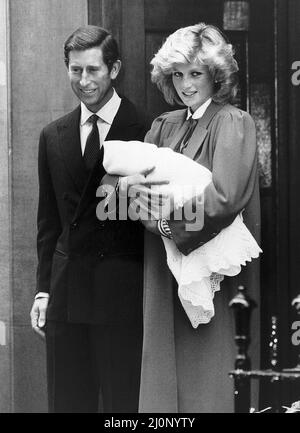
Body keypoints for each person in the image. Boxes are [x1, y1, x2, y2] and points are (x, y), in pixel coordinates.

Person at [132, 23, 261, 412]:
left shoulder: (233, 122)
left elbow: (224, 197)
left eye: (195, 74)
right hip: (164, 265)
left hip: (211, 268)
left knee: (209, 366)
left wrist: (166, 224)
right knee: (163, 371)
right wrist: (138, 201)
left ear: (215, 75)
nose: (186, 85)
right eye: (177, 75)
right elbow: (129, 186)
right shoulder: (163, 126)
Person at [30, 25, 146, 413]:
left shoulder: (148, 130)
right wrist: (43, 291)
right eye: (75, 70)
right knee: (67, 404)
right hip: (66, 299)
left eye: (93, 70)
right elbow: (49, 224)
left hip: (124, 300)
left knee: (122, 408)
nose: (84, 81)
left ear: (114, 69)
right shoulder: (53, 135)